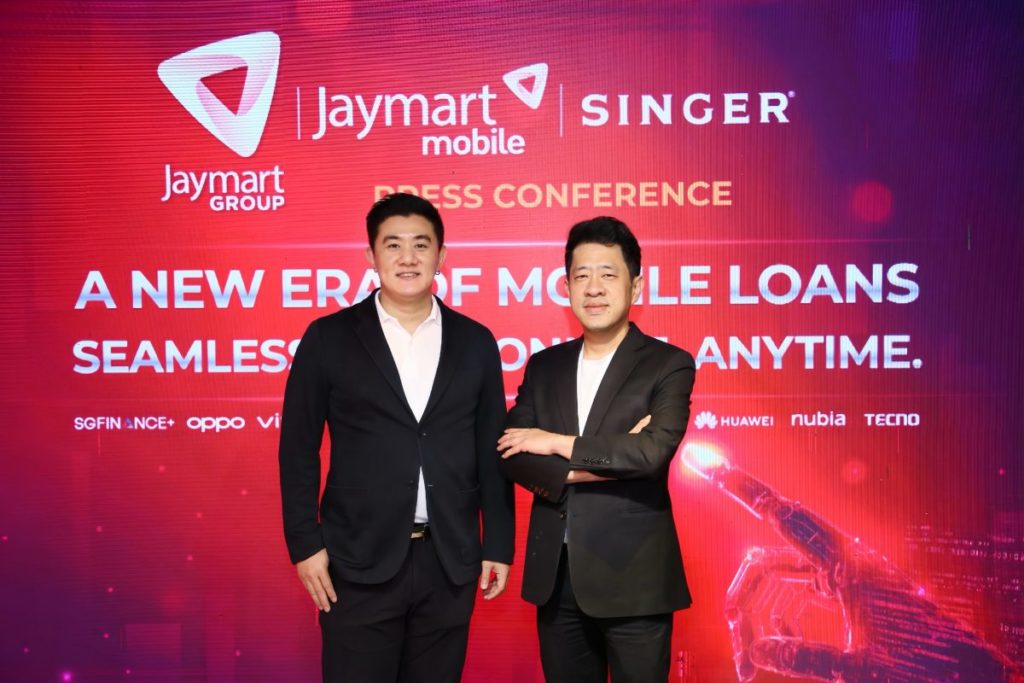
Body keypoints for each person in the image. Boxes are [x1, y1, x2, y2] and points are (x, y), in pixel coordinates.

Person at [279, 192, 515, 683]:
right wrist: (304, 544)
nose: (408, 258)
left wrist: (498, 543)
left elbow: (491, 450)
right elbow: (298, 448)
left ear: (441, 255)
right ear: (371, 255)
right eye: (393, 245)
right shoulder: (328, 337)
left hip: (449, 561)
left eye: (421, 245)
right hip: (355, 561)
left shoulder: (475, 342)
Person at [497, 216, 696, 682]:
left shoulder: (668, 364)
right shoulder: (545, 366)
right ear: (566, 286)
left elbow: (651, 454)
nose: (594, 288)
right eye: (581, 275)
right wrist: (615, 457)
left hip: (635, 582)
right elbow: (512, 454)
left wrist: (555, 443)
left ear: (635, 286)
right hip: (556, 579)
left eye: (608, 274)